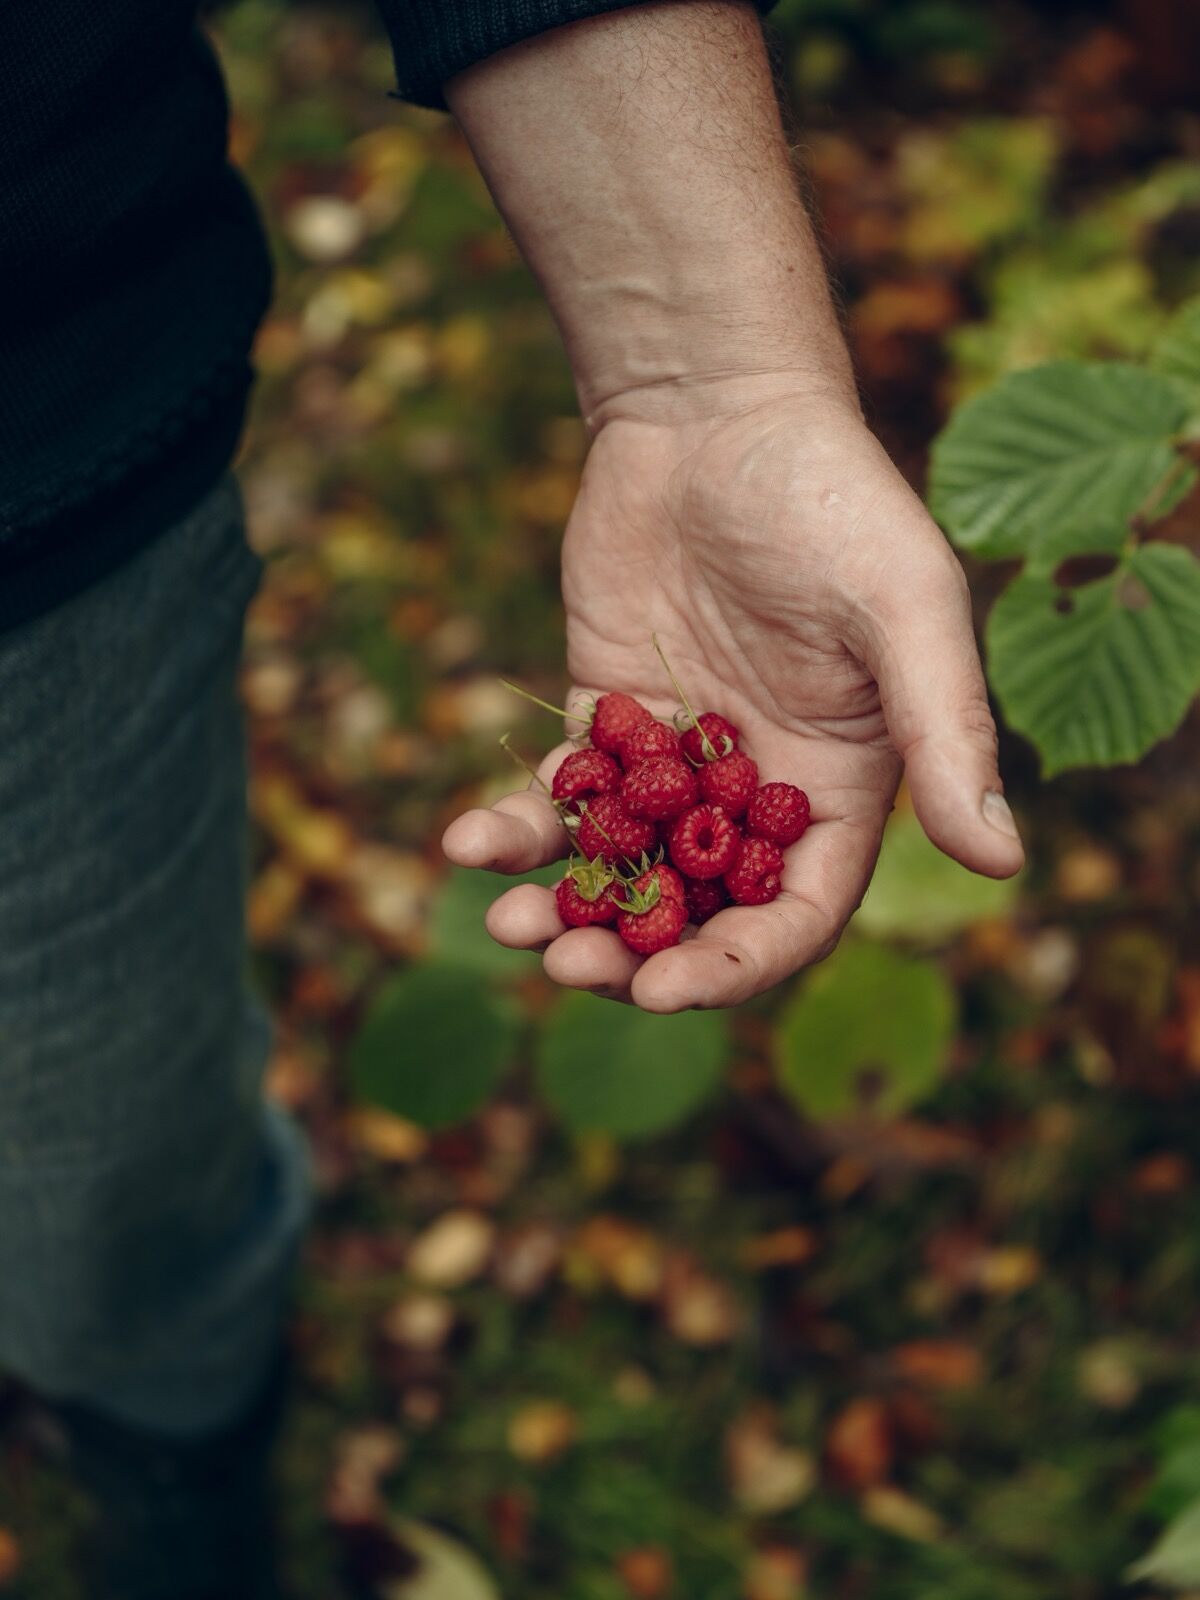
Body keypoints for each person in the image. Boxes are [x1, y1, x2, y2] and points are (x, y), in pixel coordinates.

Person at [0, 2, 1024, 1596]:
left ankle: (170, 1423)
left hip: (44, 530)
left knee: (101, 1155)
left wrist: (712, 373)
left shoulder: (679, 796)